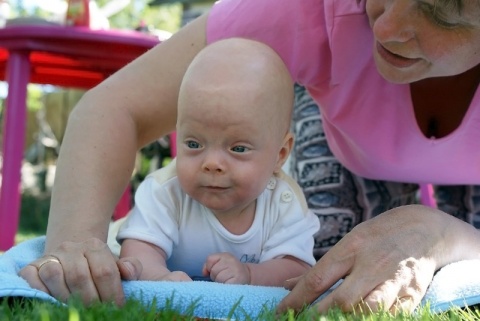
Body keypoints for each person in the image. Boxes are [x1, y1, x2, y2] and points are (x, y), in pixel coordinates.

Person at [18, 0, 480, 315]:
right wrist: (76, 243)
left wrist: (440, 233)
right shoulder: (309, 10)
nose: (385, 26)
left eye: (443, 10)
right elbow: (114, 106)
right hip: (349, 150)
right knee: (335, 277)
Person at [115, 38, 320, 285]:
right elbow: (137, 252)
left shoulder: (284, 204)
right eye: (193, 144)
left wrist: (250, 274)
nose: (212, 163)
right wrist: (160, 279)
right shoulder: (166, 191)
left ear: (280, 154)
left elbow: (295, 268)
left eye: (238, 148)